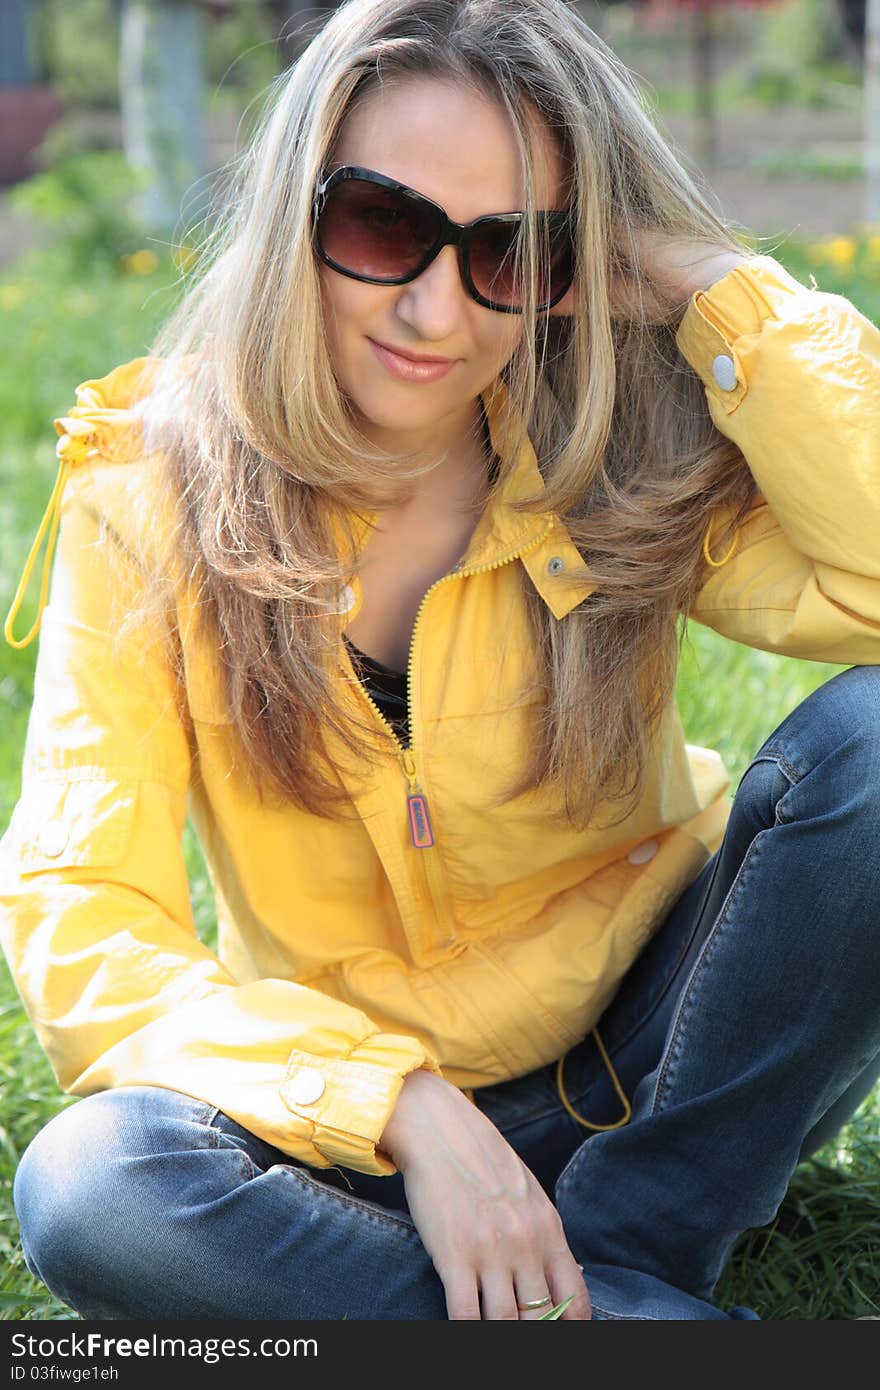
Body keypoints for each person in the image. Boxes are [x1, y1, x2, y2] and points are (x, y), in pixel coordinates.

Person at [2, 0, 879, 1323]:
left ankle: (613, 1253)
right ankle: (630, 1310)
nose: (433, 307)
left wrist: (713, 282)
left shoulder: (612, 452)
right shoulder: (149, 494)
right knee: (94, 1184)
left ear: (578, 264)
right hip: (355, 1141)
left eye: (511, 252)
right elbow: (86, 916)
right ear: (297, 208)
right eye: (382, 225)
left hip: (665, 1061)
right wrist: (399, 1104)